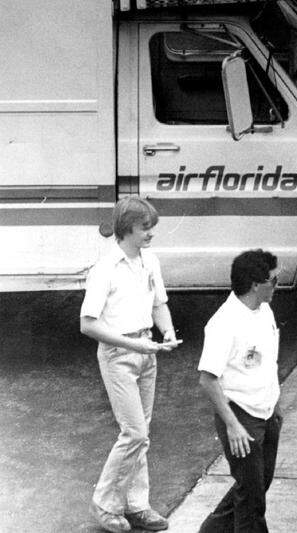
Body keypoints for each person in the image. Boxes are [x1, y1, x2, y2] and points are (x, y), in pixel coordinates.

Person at [80, 197, 180, 533]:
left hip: (146, 351)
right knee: (134, 432)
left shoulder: (150, 261)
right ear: (126, 230)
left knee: (142, 434)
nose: (151, 233)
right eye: (145, 228)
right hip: (118, 354)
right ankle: (105, 504)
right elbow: (88, 324)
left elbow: (159, 304)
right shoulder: (105, 269)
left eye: (152, 227)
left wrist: (166, 331)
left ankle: (137, 505)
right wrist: (131, 344)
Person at [197, 249, 283, 533]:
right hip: (241, 418)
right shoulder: (224, 324)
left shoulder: (264, 309)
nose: (277, 286)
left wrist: (276, 407)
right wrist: (233, 426)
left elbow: (268, 363)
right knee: (252, 501)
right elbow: (207, 379)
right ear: (256, 285)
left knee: (257, 485)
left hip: (267, 413)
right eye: (274, 281)